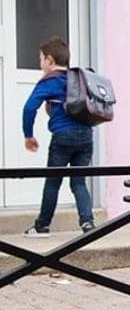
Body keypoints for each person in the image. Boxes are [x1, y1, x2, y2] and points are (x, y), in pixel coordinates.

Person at [22, 37, 95, 237]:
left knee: (53, 182)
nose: (40, 64)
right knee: (78, 182)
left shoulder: (50, 81)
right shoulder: (79, 78)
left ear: (50, 60)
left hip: (63, 137)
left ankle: (42, 226)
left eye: (41, 60)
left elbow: (29, 108)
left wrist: (28, 135)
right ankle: (88, 223)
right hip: (86, 136)